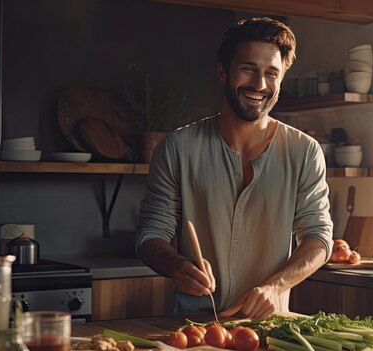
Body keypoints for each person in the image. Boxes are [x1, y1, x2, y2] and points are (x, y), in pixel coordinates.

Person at [135, 17, 333, 319]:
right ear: (222, 72)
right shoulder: (176, 149)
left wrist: (274, 287)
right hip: (193, 328)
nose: (259, 84)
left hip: (270, 328)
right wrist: (176, 265)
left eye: (271, 73)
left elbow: (318, 238)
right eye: (247, 69)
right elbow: (150, 234)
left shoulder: (305, 152)